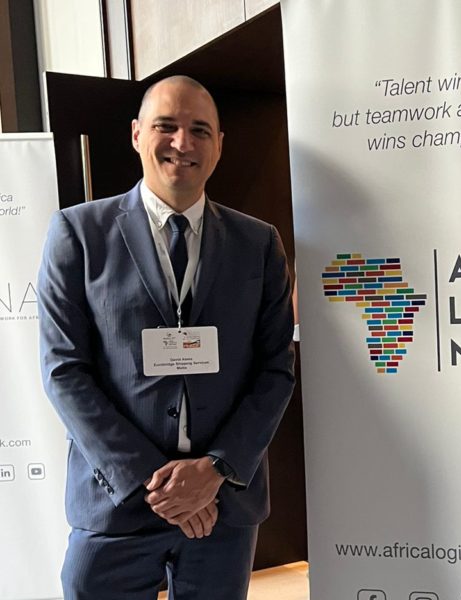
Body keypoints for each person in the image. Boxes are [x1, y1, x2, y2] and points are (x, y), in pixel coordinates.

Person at [38, 75, 295, 599]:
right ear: (137, 134)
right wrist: (158, 483)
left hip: (223, 506)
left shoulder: (258, 243)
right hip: (117, 503)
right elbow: (64, 371)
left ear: (219, 144)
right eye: (166, 126)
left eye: (200, 130)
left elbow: (275, 370)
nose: (183, 142)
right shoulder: (78, 234)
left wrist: (214, 471)